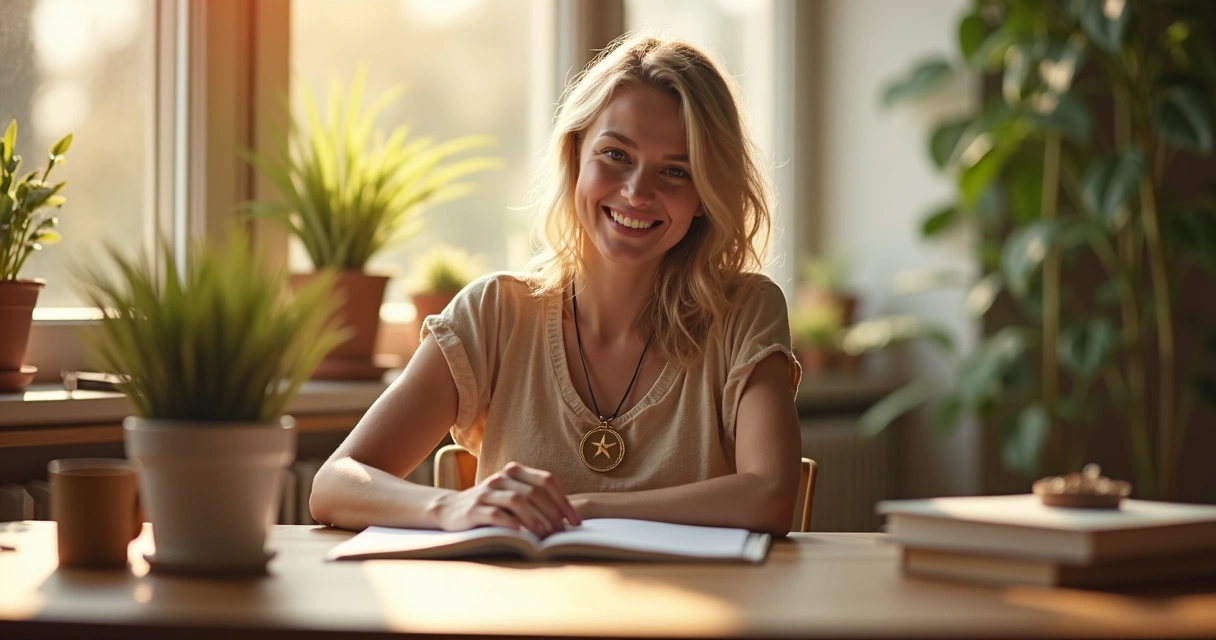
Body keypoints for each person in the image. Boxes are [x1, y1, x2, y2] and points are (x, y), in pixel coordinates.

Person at [309, 32, 803, 537]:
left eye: (676, 171)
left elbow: (771, 497)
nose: (637, 192)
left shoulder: (746, 311)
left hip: (691, 614)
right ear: (575, 154)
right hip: (521, 615)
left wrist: (583, 509)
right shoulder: (494, 313)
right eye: (616, 155)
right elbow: (335, 484)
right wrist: (450, 508)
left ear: (705, 195)